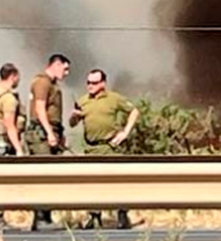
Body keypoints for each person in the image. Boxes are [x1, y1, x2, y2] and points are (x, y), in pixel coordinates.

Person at [70, 69, 139, 230]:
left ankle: (122, 214)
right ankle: (94, 216)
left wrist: (125, 133)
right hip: (91, 149)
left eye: (94, 83)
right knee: (92, 184)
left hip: (109, 147)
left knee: (116, 183)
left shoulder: (113, 99)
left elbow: (134, 111)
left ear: (102, 84)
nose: (90, 86)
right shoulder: (83, 101)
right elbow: (72, 123)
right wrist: (74, 116)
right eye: (88, 82)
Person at [26, 54, 70, 231]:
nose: (66, 73)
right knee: (43, 176)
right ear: (56, 65)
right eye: (65, 68)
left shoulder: (52, 85)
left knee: (50, 177)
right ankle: (41, 218)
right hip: (41, 134)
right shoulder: (42, 82)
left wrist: (60, 134)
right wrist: (50, 133)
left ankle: (45, 217)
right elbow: (39, 109)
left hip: (50, 133)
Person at [0, 63, 25, 231]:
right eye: (18, 76)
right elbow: (9, 125)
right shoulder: (8, 98)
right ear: (13, 76)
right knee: (2, 183)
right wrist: (19, 149)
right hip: (2, 142)